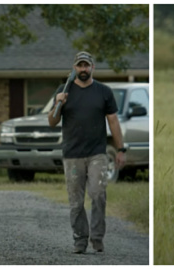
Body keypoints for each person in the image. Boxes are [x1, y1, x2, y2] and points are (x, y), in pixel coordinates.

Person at [48, 51, 126, 253]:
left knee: (98, 194)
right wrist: (58, 102)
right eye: (80, 66)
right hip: (72, 155)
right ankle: (80, 240)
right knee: (75, 202)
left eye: (86, 66)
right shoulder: (64, 91)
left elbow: (113, 121)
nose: (83, 69)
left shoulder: (103, 92)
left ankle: (97, 237)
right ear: (74, 68)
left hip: (97, 154)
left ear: (93, 67)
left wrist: (120, 149)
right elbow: (52, 122)